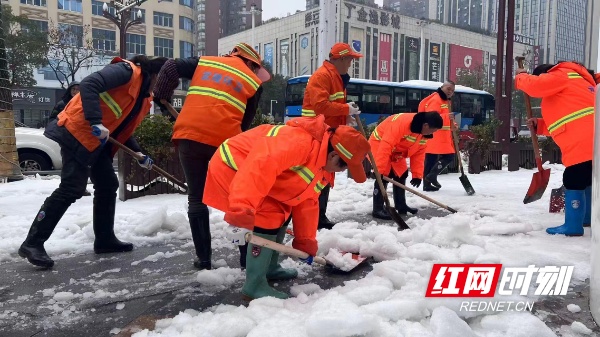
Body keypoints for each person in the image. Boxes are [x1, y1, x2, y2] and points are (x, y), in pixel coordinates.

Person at [18, 55, 166, 268]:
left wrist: (138, 153)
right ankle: (32, 243)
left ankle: (105, 239)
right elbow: (89, 84)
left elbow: (122, 128)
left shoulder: (144, 96)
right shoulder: (127, 71)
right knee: (71, 188)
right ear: (154, 74)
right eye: (163, 81)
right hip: (76, 131)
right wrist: (96, 121)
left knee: (107, 184)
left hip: (95, 140)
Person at [203, 115, 371, 300]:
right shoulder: (299, 143)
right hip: (234, 166)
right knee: (269, 214)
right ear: (333, 155)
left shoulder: (321, 164)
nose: (342, 172)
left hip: (258, 176)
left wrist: (305, 240)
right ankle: (254, 285)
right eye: (344, 168)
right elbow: (259, 168)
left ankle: (270, 267)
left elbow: (306, 202)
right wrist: (241, 210)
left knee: (282, 208)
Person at [153, 43, 270, 270]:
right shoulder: (253, 83)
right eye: (256, 69)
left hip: (189, 135)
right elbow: (245, 123)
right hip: (225, 143)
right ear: (250, 63)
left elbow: (168, 67)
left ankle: (204, 259)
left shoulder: (204, 62)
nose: (256, 74)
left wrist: (161, 98)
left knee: (196, 198)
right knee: (238, 199)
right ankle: (246, 259)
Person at [515, 61, 596, 236]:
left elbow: (535, 86)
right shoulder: (579, 82)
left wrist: (521, 77)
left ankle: (573, 226)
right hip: (590, 138)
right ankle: (586, 218)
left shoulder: (561, 74)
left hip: (581, 140)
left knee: (573, 179)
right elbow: (567, 117)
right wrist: (539, 125)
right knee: (586, 178)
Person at [301, 42, 363, 230]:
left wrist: (346, 119)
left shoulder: (337, 77)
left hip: (328, 133)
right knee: (315, 175)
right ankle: (310, 216)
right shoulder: (322, 76)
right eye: (350, 60)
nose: (351, 64)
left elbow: (331, 108)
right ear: (342, 58)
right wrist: (346, 108)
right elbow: (320, 106)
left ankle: (320, 215)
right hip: (315, 134)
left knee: (325, 175)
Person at [369, 112, 443, 219]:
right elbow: (386, 145)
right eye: (433, 130)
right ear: (426, 125)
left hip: (396, 152)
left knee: (401, 174)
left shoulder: (423, 133)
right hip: (379, 145)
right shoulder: (401, 124)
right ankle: (378, 209)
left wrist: (417, 175)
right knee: (384, 175)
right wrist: (378, 170)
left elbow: (419, 154)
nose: (433, 133)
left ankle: (401, 206)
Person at [419, 81, 456, 192]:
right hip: (436, 134)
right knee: (449, 156)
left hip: (440, 135)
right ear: (442, 87)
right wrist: (446, 116)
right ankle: (432, 175)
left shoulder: (444, 100)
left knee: (430, 159)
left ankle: (427, 184)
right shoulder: (436, 99)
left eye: (453, 90)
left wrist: (453, 125)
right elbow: (431, 116)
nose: (450, 92)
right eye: (448, 88)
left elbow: (446, 117)